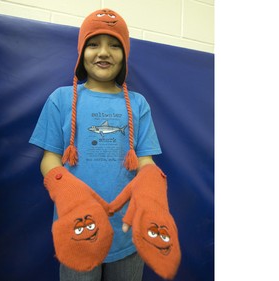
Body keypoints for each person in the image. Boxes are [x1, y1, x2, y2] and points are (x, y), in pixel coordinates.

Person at [30, 8, 175, 281]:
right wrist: (63, 186)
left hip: (128, 234)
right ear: (81, 52)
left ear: (125, 54)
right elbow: (49, 159)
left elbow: (145, 159)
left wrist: (152, 180)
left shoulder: (138, 103)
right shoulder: (60, 100)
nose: (104, 52)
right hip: (78, 232)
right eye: (93, 44)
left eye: (114, 45)